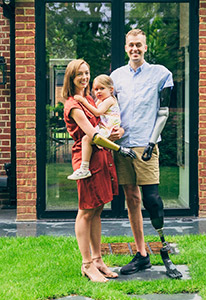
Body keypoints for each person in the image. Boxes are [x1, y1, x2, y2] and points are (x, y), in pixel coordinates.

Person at [111, 29, 183, 279]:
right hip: (122, 146)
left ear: (145, 47)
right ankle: (142, 254)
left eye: (139, 45)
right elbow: (110, 110)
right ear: (125, 47)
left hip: (146, 145)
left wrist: (152, 143)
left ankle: (164, 250)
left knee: (152, 200)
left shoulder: (161, 74)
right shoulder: (116, 76)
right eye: (131, 45)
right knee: (131, 198)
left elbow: (163, 112)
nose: (135, 49)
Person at [62, 59, 136, 283]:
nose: (84, 78)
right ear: (71, 78)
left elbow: (103, 126)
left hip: (101, 157)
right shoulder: (73, 105)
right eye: (79, 75)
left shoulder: (90, 99)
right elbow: (92, 135)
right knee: (86, 210)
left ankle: (97, 260)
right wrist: (118, 146)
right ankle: (87, 264)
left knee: (97, 210)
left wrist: (116, 131)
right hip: (87, 161)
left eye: (87, 73)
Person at [68, 74, 122, 181]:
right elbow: (92, 111)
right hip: (104, 127)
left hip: (108, 128)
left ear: (111, 89)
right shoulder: (100, 101)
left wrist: (83, 101)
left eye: (102, 88)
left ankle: (84, 168)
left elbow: (97, 112)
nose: (98, 92)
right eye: (96, 89)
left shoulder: (110, 100)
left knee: (86, 139)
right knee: (88, 138)